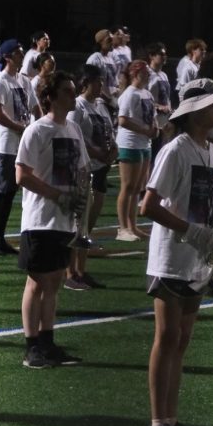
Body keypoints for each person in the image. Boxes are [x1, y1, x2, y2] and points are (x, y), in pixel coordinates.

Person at [139, 78, 213, 426]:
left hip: (198, 261)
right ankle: (156, 425)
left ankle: (172, 420)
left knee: (181, 341)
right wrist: (191, 231)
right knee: (166, 339)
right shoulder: (175, 150)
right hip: (171, 258)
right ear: (195, 111)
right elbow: (148, 205)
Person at [14, 71, 88, 369]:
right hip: (40, 219)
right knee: (36, 282)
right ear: (51, 96)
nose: (73, 95)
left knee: (55, 281)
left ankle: (47, 341)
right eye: (68, 91)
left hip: (64, 220)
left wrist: (81, 197)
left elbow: (82, 168)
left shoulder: (73, 129)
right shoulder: (38, 130)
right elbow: (21, 175)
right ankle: (31, 346)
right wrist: (58, 195)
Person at [0, 39, 39, 257]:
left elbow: (35, 107)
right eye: (17, 52)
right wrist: (21, 127)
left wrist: (42, 126)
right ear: (7, 57)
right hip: (4, 145)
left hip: (20, 145)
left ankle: (0, 237)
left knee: (9, 194)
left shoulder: (24, 81)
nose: (21, 54)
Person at [67, 65, 115, 290]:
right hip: (85, 170)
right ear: (86, 82)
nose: (102, 86)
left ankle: (81, 270)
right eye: (98, 81)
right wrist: (97, 152)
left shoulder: (101, 106)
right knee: (78, 223)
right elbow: (74, 136)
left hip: (100, 168)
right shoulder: (77, 106)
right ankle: (70, 272)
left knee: (87, 226)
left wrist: (113, 149)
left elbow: (109, 133)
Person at [116, 61, 158, 243]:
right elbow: (123, 120)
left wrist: (154, 129)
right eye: (145, 72)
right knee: (127, 186)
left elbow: (151, 116)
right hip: (130, 144)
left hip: (144, 144)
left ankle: (132, 226)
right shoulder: (129, 94)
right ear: (135, 74)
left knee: (137, 188)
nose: (148, 75)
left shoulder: (146, 93)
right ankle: (122, 227)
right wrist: (144, 130)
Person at [147, 43, 174, 159]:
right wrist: (159, 107)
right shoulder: (147, 74)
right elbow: (143, 98)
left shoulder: (164, 75)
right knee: (153, 156)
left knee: (162, 156)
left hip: (165, 120)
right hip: (154, 120)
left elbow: (166, 97)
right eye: (161, 54)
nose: (164, 57)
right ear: (152, 56)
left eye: (165, 54)